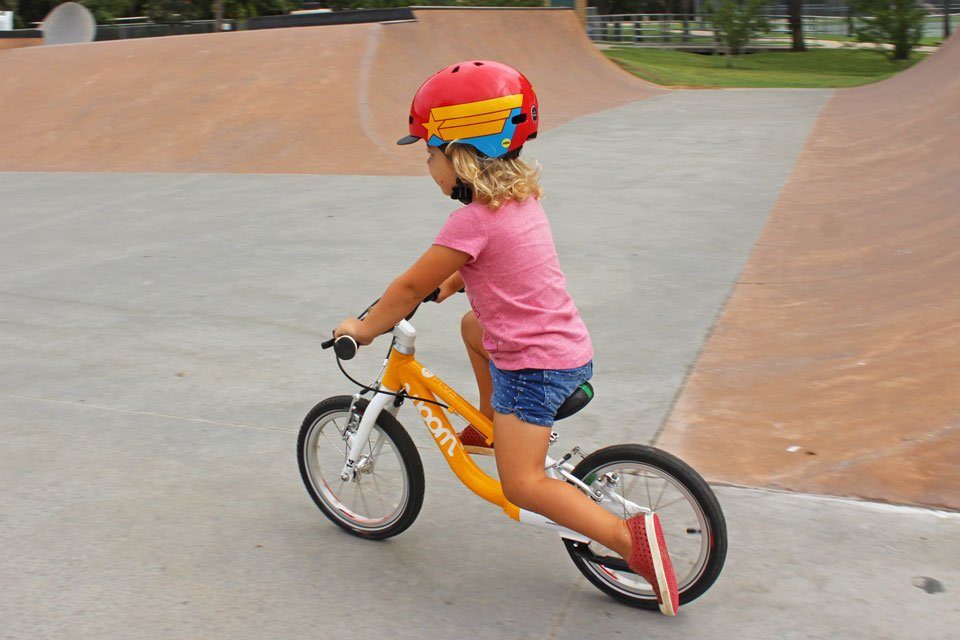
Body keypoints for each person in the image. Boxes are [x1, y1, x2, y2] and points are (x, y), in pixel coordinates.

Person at [334, 60, 679, 616]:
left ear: (460, 154)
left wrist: (364, 327)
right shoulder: (518, 201)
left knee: (521, 484)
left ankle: (629, 542)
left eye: (429, 153)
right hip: (565, 350)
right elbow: (495, 262)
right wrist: (453, 283)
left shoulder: (470, 221)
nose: (427, 166)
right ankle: (492, 422)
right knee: (473, 325)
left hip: (533, 369)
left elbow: (408, 286)